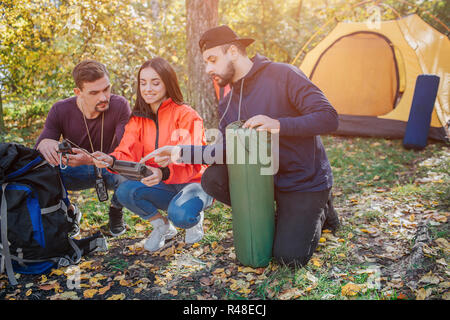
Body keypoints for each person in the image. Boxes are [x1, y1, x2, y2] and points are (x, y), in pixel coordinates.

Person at [150, 25, 341, 268]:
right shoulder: (228, 104)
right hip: (263, 181)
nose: (208, 69)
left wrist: (278, 124)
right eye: (205, 62)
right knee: (213, 178)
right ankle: (282, 218)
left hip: (303, 182)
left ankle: (322, 207)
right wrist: (179, 153)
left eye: (212, 59)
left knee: (287, 258)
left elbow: (329, 117)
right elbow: (227, 152)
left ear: (232, 51)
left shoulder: (283, 74)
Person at [91, 57, 213, 252]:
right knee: (124, 191)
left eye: (155, 83)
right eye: (143, 82)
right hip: (162, 185)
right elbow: (127, 150)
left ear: (168, 83)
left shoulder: (187, 115)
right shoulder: (138, 120)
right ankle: (162, 226)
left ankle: (193, 217)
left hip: (193, 183)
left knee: (181, 215)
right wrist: (111, 160)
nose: (147, 88)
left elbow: (194, 160)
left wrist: (164, 172)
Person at [35, 60, 131, 237]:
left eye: (106, 89)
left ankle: (116, 212)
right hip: (74, 171)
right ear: (78, 92)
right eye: (94, 92)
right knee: (44, 171)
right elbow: (37, 155)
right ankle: (69, 212)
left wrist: (91, 159)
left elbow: (128, 150)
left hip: (110, 168)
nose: (103, 97)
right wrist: (44, 144)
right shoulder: (60, 109)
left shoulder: (119, 105)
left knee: (130, 170)